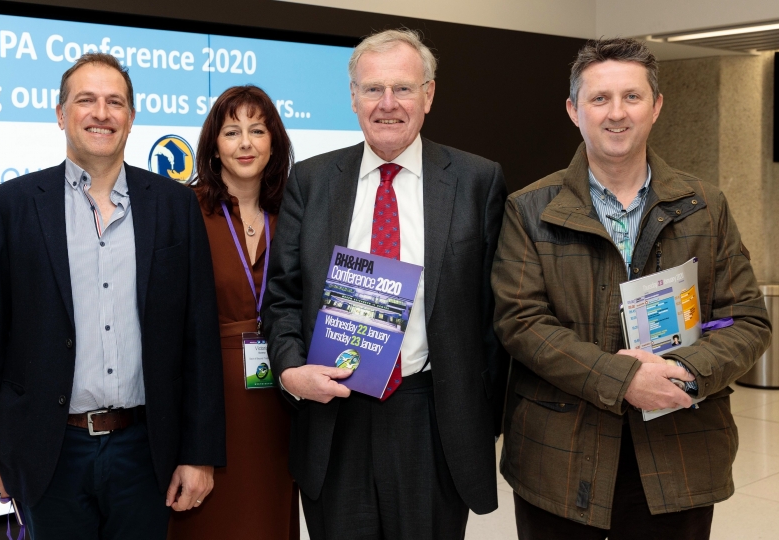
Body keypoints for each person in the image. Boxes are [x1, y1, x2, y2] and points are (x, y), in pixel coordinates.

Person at [492, 37, 772, 539]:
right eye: (599, 99)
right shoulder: (530, 208)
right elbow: (521, 323)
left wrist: (683, 369)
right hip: (561, 456)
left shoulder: (705, 205)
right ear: (573, 110)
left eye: (632, 97)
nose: (616, 113)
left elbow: (749, 320)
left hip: (678, 450)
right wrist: (624, 381)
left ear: (657, 106)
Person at [0, 53, 226, 539]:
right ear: (61, 114)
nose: (101, 113)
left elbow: (198, 338)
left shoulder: (174, 206)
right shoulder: (10, 206)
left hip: (146, 450)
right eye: (86, 100)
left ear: (131, 118)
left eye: (115, 102)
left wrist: (200, 453)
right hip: (51, 450)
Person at [262, 28, 508, 540]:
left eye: (403, 87)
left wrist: (484, 412)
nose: (388, 104)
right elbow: (282, 297)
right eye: (373, 89)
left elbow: (495, 311)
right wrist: (289, 372)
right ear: (352, 97)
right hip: (335, 415)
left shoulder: (476, 180)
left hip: (433, 420)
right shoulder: (310, 181)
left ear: (430, 94)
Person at [167, 85, 299, 539]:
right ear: (214, 146)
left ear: (274, 142)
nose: (245, 143)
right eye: (231, 131)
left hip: (281, 394)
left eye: (257, 130)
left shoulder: (294, 214)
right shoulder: (183, 211)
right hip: (207, 393)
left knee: (266, 516)